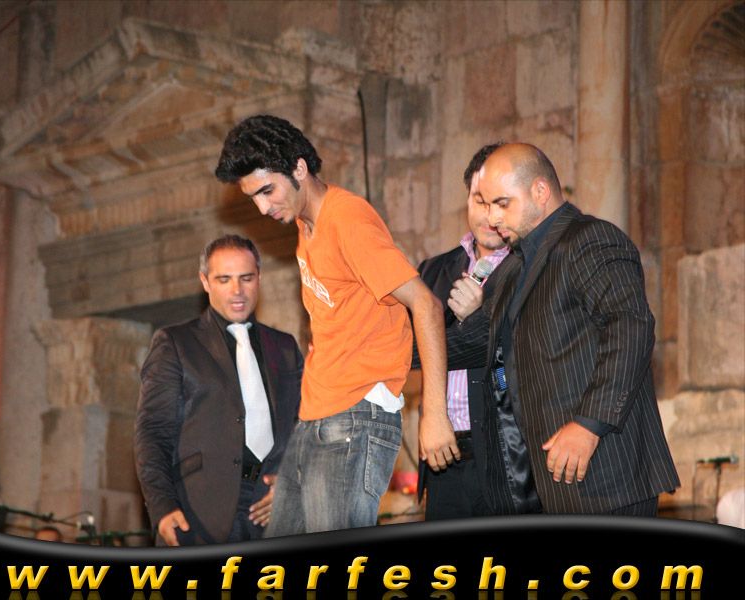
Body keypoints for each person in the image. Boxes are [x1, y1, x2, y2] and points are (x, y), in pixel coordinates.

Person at [214, 115, 452, 535]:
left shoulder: (347, 219)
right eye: (253, 198)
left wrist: (435, 413)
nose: (263, 208)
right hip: (315, 420)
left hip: (356, 417)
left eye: (267, 191)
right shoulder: (305, 227)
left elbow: (426, 305)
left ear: (299, 168)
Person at [458, 142, 680, 515]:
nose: (493, 218)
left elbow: (630, 327)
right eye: (487, 204)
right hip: (546, 484)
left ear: (540, 191)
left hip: (606, 474)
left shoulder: (588, 239)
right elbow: (475, 342)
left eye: (502, 203)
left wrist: (589, 425)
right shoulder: (512, 268)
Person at [134, 235, 303, 545]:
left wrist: (291, 483)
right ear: (205, 281)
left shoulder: (285, 347)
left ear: (259, 278)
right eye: (224, 279)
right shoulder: (175, 343)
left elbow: (304, 427)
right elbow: (152, 432)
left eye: (246, 278)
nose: (237, 290)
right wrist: (162, 507)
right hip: (198, 513)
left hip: (272, 513)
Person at [413, 143, 509, 520]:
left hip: (508, 459)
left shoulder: (529, 266)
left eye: (499, 203)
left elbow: (525, 345)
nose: (488, 215)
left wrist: (481, 313)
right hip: (443, 456)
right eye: (479, 200)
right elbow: (412, 352)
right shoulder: (433, 271)